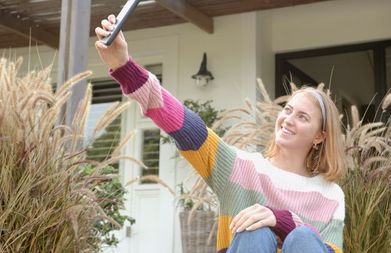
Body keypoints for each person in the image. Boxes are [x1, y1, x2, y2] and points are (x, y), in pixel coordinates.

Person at [95, 14, 346, 253]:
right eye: (288, 110)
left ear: (319, 136)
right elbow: (185, 125)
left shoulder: (330, 195)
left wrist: (283, 220)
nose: (288, 119)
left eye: (302, 117)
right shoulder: (239, 168)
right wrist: (123, 66)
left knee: (303, 236)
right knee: (254, 231)